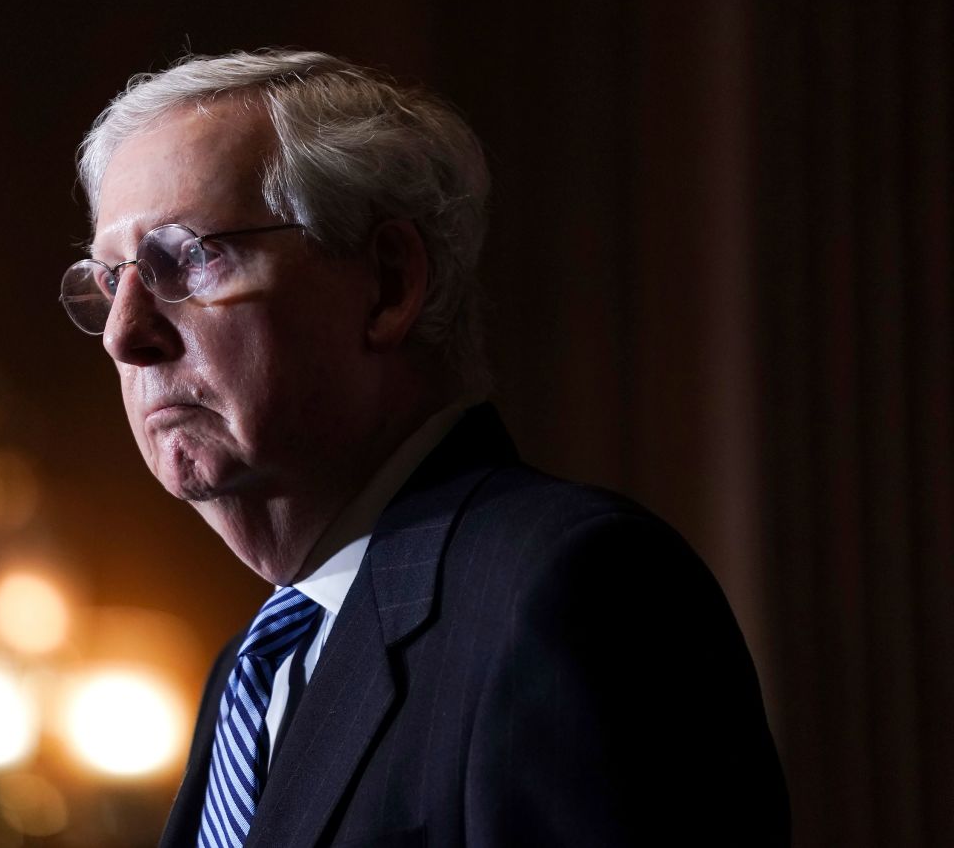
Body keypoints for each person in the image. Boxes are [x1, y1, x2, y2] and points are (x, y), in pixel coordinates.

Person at [60, 49, 789, 848]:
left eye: (190, 258)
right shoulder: (248, 676)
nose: (126, 336)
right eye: (109, 280)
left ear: (389, 283)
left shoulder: (570, 588)